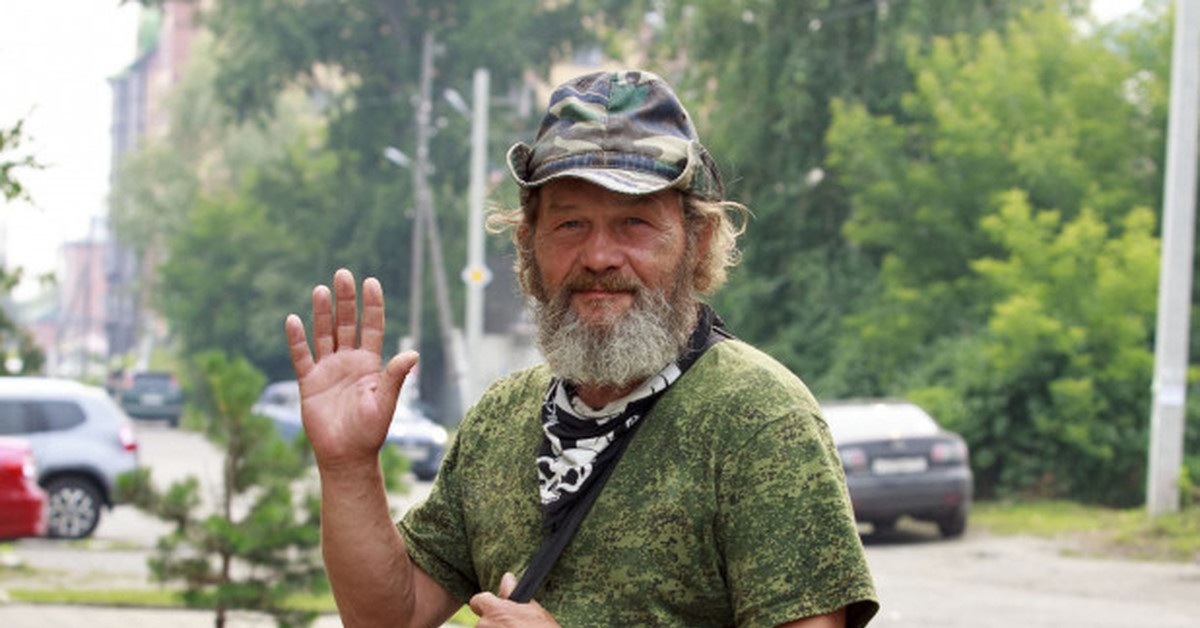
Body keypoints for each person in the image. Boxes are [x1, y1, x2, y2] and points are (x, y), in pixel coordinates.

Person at [285, 69, 879, 628]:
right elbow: (391, 615)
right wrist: (348, 466)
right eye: (570, 224)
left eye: (634, 224)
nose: (598, 256)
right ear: (529, 245)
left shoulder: (758, 419)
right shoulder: (500, 420)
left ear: (697, 241)